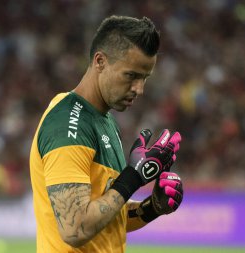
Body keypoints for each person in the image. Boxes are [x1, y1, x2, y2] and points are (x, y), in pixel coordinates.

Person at [29, 15, 184, 253]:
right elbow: (75, 228)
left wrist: (152, 207)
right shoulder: (68, 123)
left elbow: (107, 216)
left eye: (145, 78)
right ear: (100, 61)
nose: (139, 89)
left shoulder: (105, 121)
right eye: (131, 75)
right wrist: (133, 176)